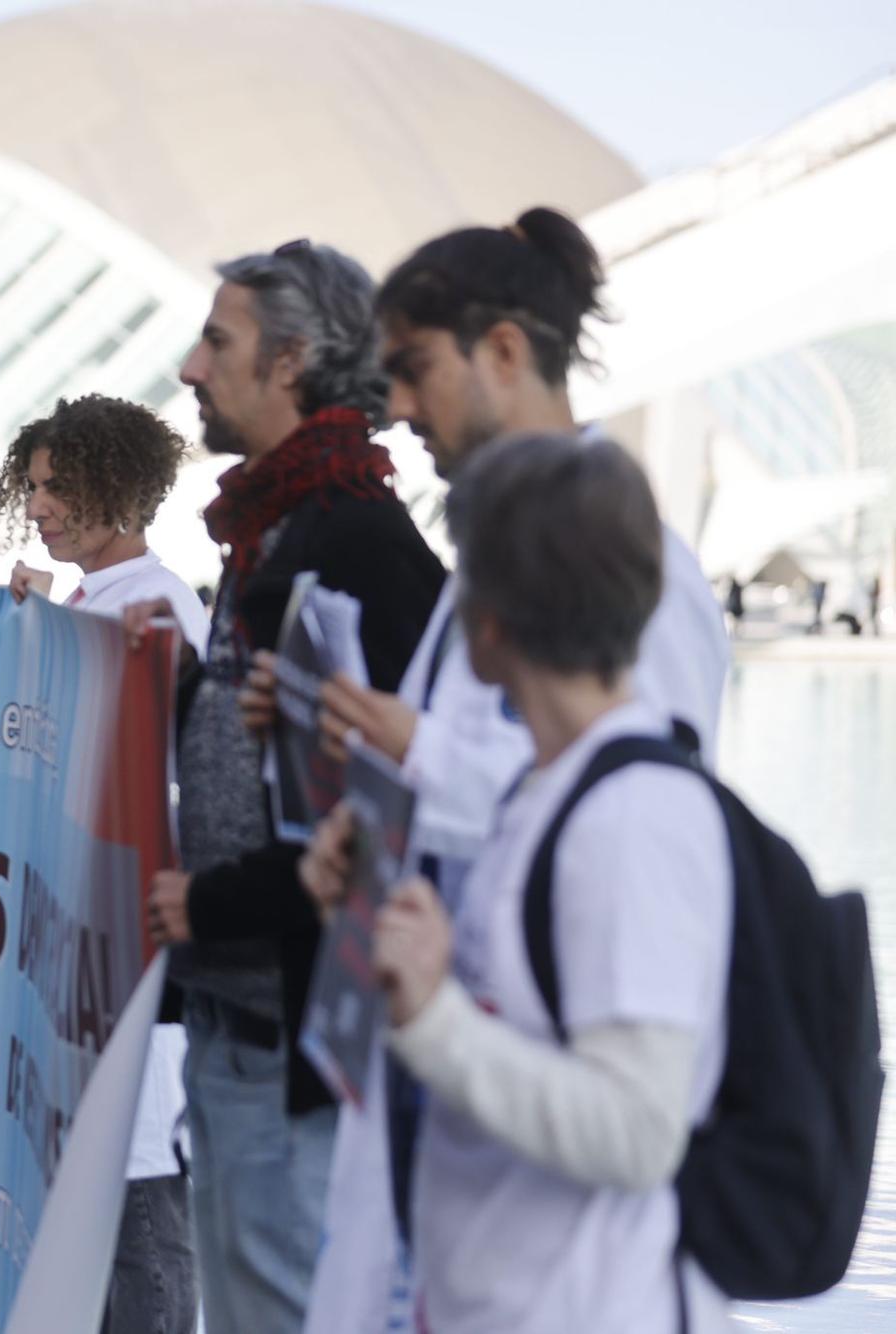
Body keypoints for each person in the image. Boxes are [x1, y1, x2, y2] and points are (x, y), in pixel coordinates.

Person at [295, 207, 732, 1334]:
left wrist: (416, 752)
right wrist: (380, 836)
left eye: (411, 369)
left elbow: (622, 799)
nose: (393, 408)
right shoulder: (501, 548)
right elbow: (520, 805)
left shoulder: (621, 564)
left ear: (501, 350)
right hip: (466, 1211)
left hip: (569, 1258)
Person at [124, 241, 444, 1334]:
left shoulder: (351, 536)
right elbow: (272, 756)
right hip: (243, 1014)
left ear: (293, 359)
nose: (189, 367)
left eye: (217, 341)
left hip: (297, 1038)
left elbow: (394, 805)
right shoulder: (277, 528)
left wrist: (212, 904)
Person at [364, 435, 732, 1331]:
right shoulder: (552, 786)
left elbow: (639, 1132)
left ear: (489, 622)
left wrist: (434, 1021)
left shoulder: (631, 816)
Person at [0, 393, 204, 1334]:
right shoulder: (95, 604)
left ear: (121, 487)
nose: (39, 509)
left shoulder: (156, 607)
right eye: (32, 489)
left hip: (129, 948)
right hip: (79, 945)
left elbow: (128, 764)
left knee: (142, 1192)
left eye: (58, 488)